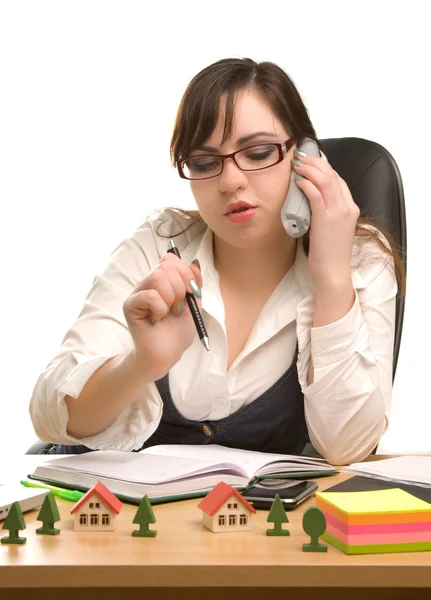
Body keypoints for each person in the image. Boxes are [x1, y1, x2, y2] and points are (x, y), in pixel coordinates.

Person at [29, 57, 405, 465]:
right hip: (102, 514)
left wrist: (332, 278)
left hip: (245, 525)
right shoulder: (158, 244)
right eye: (205, 163)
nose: (230, 182)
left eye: (259, 153)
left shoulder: (362, 260)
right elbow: (48, 414)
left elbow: (347, 447)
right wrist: (141, 364)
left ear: (307, 157)